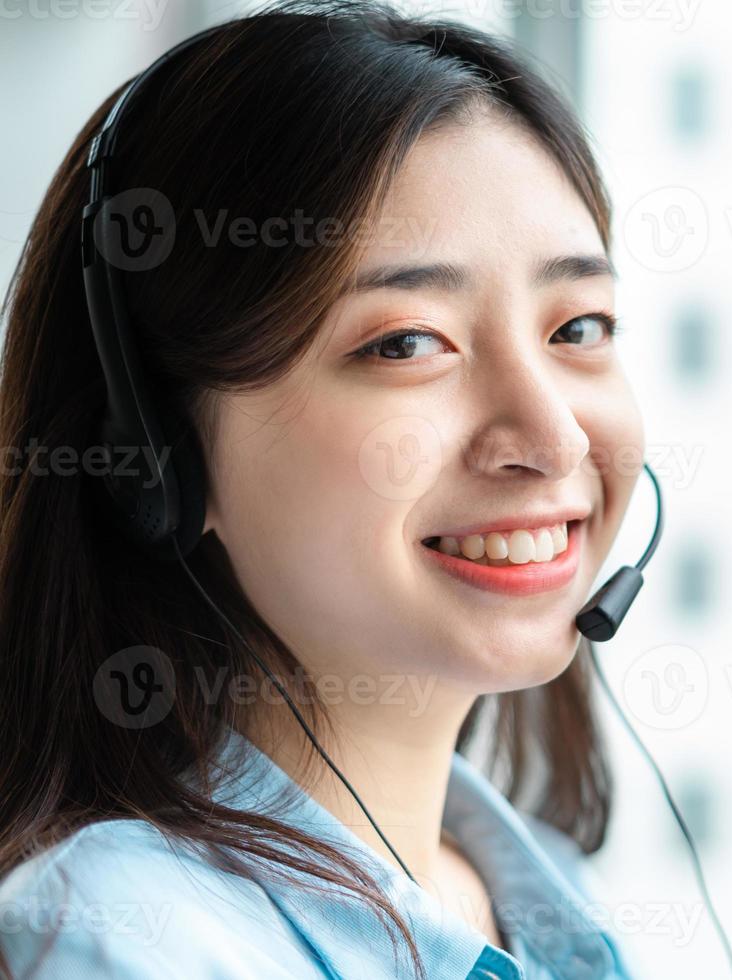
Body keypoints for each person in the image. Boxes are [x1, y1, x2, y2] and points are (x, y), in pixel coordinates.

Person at [0, 2, 651, 976]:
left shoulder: (549, 900)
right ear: (159, 451)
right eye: (405, 343)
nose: (553, 438)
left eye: (578, 328)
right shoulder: (120, 939)